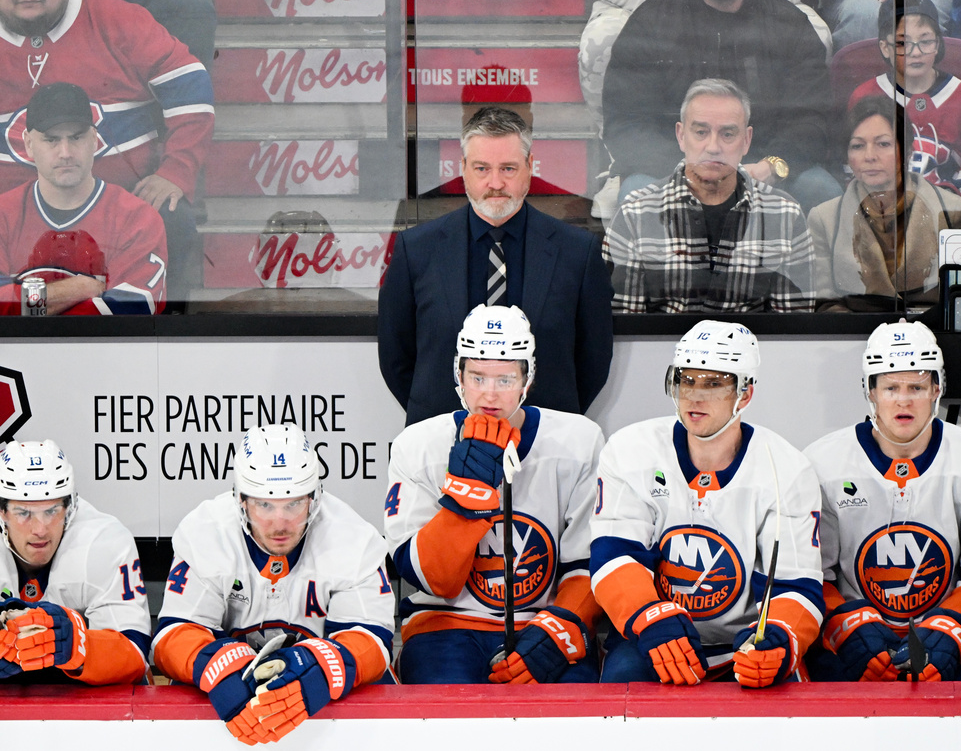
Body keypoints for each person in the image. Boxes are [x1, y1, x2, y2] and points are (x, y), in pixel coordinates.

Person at [591, 320, 824, 686]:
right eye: (687, 380)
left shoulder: (787, 468)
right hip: (652, 633)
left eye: (714, 384)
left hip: (743, 645)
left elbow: (796, 585)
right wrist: (650, 617)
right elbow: (613, 556)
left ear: (744, 394)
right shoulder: (630, 450)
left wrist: (778, 638)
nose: (695, 397)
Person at [384, 305, 604, 684]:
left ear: (527, 378)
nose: (489, 394)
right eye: (478, 377)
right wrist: (467, 497)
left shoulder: (580, 442)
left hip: (543, 617)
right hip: (443, 622)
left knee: (569, 717)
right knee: (445, 717)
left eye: (505, 379)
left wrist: (559, 628)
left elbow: (589, 564)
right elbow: (431, 580)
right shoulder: (417, 445)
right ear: (459, 375)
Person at [152, 425, 394, 744]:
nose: (279, 523)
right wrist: (216, 662)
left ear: (314, 498)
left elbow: (373, 642)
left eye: (293, 504)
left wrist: (322, 667)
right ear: (241, 500)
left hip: (326, 703)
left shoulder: (353, 538)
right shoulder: (206, 531)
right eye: (264, 505)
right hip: (231, 696)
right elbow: (170, 636)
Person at [378, 106, 613, 426]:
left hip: (545, 444)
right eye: (482, 168)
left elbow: (593, 361)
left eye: (508, 169)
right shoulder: (417, 250)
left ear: (530, 167)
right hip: (443, 442)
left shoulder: (578, 252)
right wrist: (447, 423)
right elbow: (396, 358)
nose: (495, 182)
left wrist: (535, 425)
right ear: (462, 168)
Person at [804, 321, 961, 681]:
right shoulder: (822, 463)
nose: (904, 399)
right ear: (870, 391)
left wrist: (951, 631)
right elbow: (809, 575)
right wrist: (848, 626)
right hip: (857, 628)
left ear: (936, 389)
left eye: (916, 386)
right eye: (891, 387)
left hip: (953, 625)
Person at [0, 0, 215, 300]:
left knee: (172, 219)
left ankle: (166, 337)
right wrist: (77, 292)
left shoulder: (118, 20)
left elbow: (190, 88)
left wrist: (176, 171)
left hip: (118, 205)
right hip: (10, 218)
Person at [600, 0, 840, 212]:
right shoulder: (650, 22)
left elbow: (812, 117)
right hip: (674, 167)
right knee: (637, 193)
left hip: (763, 167)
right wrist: (692, 172)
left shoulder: (788, 22)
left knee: (822, 192)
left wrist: (771, 166)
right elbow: (626, 123)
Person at [602, 79, 816, 313]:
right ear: (681, 135)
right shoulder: (635, 214)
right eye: (701, 132)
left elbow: (795, 329)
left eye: (727, 134)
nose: (713, 146)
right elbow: (621, 325)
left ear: (746, 140)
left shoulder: (785, 214)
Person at [0, 82, 167, 315]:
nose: (65, 152)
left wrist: (26, 305)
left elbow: (130, 316)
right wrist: (77, 289)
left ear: (95, 140)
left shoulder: (137, 218)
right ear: (28, 144)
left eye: (76, 138)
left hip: (104, 352)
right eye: (51, 140)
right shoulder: (3, 215)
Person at [0, 440, 151, 685]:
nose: (40, 529)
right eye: (23, 513)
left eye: (51, 511)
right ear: (2, 513)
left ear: (70, 507)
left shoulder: (105, 541)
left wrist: (79, 646)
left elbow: (135, 653)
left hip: (90, 691)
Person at [809, 97, 961, 312]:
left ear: (908, 151)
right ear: (847, 156)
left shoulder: (952, 210)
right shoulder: (824, 219)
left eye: (883, 144)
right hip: (856, 338)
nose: (869, 156)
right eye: (857, 146)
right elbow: (824, 305)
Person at [849, 0, 961, 212]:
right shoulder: (865, 95)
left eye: (925, 41)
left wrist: (956, 217)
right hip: (882, 214)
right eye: (903, 43)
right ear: (885, 47)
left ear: (938, 44)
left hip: (944, 211)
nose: (915, 52)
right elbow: (855, 175)